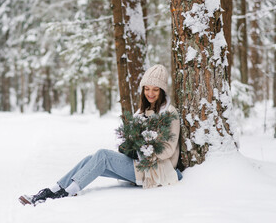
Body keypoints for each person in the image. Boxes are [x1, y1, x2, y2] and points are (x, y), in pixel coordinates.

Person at [19, 64, 182, 206]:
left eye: (155, 89)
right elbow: (135, 138)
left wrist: (144, 149)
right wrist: (129, 145)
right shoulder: (142, 111)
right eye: (147, 88)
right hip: (137, 163)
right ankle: (54, 189)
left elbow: (168, 149)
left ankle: (69, 192)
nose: (150, 93)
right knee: (90, 159)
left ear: (162, 91)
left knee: (103, 155)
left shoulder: (169, 113)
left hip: (154, 170)